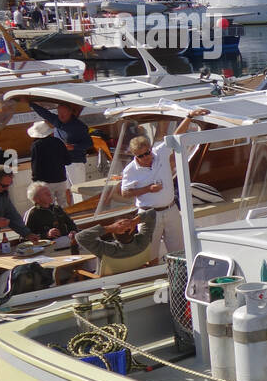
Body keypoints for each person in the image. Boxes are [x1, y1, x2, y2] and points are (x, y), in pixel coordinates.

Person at [119, 109, 209, 261]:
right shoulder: (130, 170)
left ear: (150, 149)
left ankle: (181, 280)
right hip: (148, 215)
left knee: (181, 252)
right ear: (135, 156)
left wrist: (189, 117)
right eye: (141, 156)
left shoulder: (159, 152)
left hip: (171, 209)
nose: (147, 157)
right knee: (149, 254)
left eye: (147, 153)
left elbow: (176, 135)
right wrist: (148, 189)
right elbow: (125, 193)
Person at [29, 101, 92, 196]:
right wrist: (31, 103)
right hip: (62, 163)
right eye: (59, 113)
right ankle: (69, 210)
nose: (61, 116)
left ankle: (81, 209)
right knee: (66, 191)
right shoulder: (57, 121)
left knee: (78, 190)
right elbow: (44, 113)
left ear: (70, 112)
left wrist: (73, 147)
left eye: (63, 113)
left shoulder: (79, 127)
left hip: (75, 162)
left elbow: (89, 143)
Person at [76, 210, 156, 275]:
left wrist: (109, 228)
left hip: (109, 284)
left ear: (114, 233)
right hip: (134, 278)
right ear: (133, 230)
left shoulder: (107, 250)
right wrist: (134, 221)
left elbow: (80, 237)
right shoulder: (143, 243)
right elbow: (153, 214)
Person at [28, 120, 71, 206]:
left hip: (46, 182)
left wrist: (35, 181)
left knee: (49, 204)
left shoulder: (36, 146)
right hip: (61, 179)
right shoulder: (58, 142)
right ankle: (65, 218)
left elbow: (36, 165)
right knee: (63, 203)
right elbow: (68, 161)